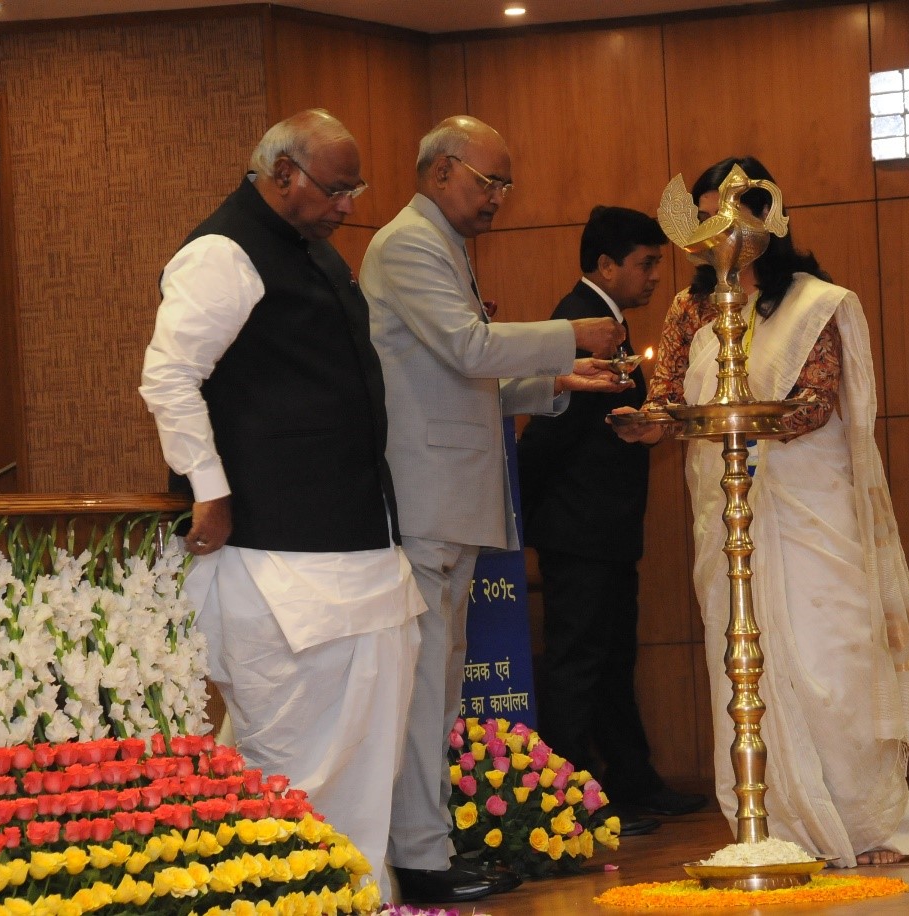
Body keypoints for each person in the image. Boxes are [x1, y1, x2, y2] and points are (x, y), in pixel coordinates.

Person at [613, 156, 909, 867]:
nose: (724, 233)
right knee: (739, 662)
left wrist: (735, 422)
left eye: (739, 213)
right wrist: (652, 424)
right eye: (708, 218)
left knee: (832, 661)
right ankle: (770, 826)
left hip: (808, 509)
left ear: (771, 216)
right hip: (727, 517)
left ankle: (866, 824)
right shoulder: (688, 310)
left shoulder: (813, 303)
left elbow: (814, 404)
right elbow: (668, 398)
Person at [139, 109, 425, 903]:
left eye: (354, 188)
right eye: (336, 188)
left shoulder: (314, 251)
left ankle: (356, 896)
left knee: (368, 755)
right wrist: (210, 491)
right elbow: (168, 377)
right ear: (280, 174)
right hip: (274, 554)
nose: (347, 205)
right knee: (295, 760)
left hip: (358, 547)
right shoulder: (220, 253)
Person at [359, 115, 628, 903]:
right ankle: (421, 855)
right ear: (441, 171)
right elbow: (467, 350)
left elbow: (462, 376)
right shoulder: (409, 242)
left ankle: (430, 844)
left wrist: (556, 382)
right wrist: (565, 337)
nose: (499, 199)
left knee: (440, 689)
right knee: (422, 690)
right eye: (489, 182)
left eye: (505, 185)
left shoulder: (440, 244)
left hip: (449, 497)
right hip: (425, 497)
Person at [517, 206, 706, 836]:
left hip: (605, 528)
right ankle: (575, 804)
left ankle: (629, 783)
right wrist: (536, 515)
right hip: (578, 528)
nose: (656, 275)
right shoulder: (573, 324)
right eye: (646, 263)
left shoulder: (612, 326)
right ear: (606, 265)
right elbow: (545, 435)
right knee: (578, 664)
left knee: (612, 658)